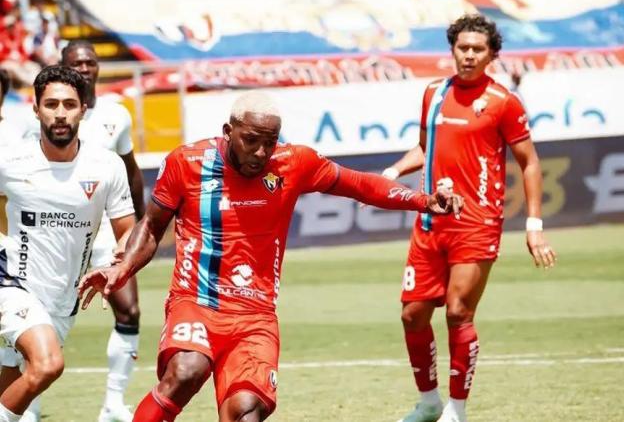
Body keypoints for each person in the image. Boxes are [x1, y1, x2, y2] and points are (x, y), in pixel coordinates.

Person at [78, 90, 464, 422]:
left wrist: (424, 200)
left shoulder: (294, 163)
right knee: (186, 371)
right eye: (251, 140)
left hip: (255, 315)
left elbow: (359, 184)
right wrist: (122, 268)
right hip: (196, 301)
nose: (261, 152)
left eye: (270, 142)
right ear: (228, 131)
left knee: (246, 411)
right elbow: (151, 227)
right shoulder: (187, 162)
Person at [382, 15, 556, 422]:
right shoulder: (433, 93)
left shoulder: (503, 101)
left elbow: (529, 162)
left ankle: (456, 410)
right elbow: (425, 147)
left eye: (478, 49)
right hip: (430, 222)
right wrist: (392, 172)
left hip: (476, 224)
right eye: (463, 48)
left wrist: (534, 226)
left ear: (492, 55)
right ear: (453, 50)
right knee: (412, 315)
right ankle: (429, 403)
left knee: (458, 311)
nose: (469, 55)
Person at [0, 65, 135, 422]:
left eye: (69, 104)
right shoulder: (10, 161)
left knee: (13, 379)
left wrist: (118, 267)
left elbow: (128, 230)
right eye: (51, 104)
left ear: (83, 110)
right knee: (48, 365)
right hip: (11, 284)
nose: (60, 113)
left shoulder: (106, 166)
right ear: (36, 109)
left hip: (63, 298)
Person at [60, 40, 145, 422]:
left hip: (108, 230)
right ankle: (29, 405)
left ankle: (113, 404)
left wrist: (142, 224)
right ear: (63, 66)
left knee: (129, 310)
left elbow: (131, 170)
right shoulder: (51, 113)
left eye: (90, 62)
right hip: (60, 230)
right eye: (76, 62)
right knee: (45, 316)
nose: (84, 68)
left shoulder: (116, 114)